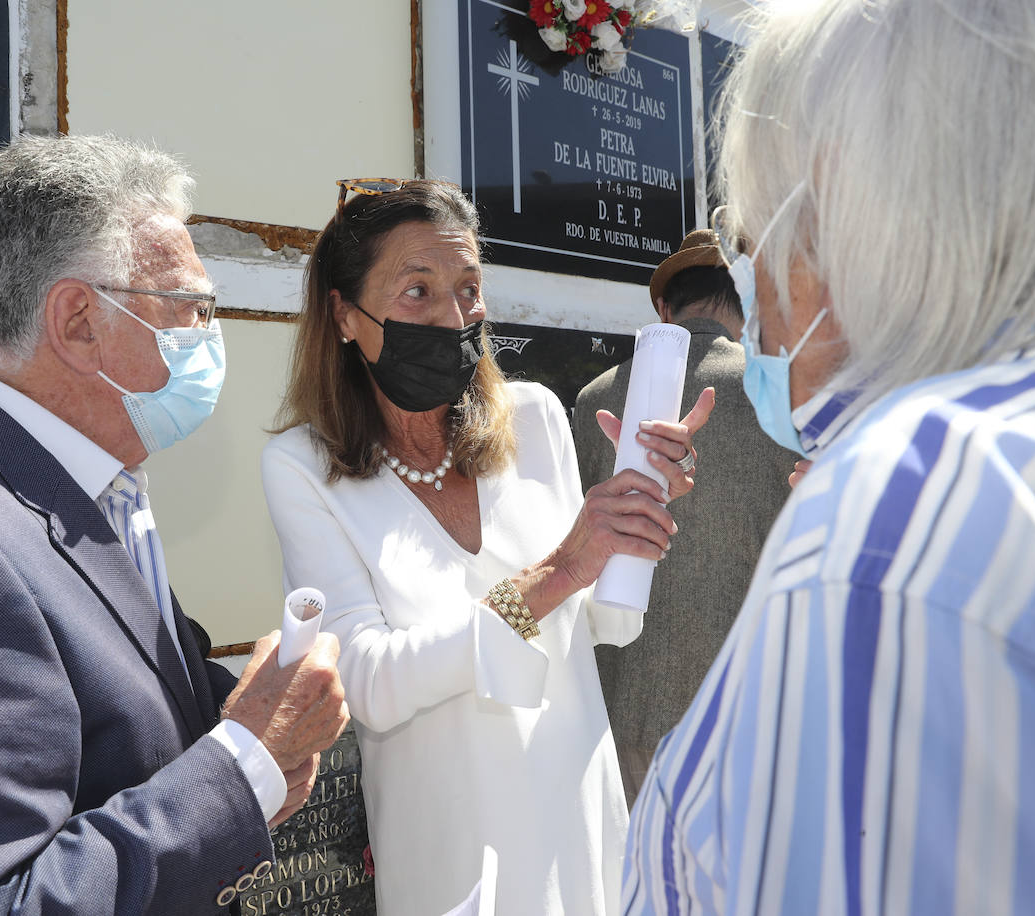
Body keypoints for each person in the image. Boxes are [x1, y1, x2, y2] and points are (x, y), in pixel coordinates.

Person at [623, 1, 1035, 913]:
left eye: (753, 242)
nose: (756, 286)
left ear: (839, 228)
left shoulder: (912, 505)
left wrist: (867, 532)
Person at [0, 135, 350, 915]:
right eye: (190, 308)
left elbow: (113, 726)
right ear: (79, 320)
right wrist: (245, 760)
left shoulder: (80, 493)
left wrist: (245, 708)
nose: (207, 336)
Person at [260, 178, 715, 915]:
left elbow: (610, 622)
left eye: (469, 288)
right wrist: (559, 569)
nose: (453, 314)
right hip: (451, 842)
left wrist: (635, 518)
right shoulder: (303, 467)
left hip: (579, 811)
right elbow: (369, 684)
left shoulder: (533, 417)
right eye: (418, 290)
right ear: (346, 315)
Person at [573, 229, 797, 806]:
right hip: (746, 717)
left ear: (665, 310)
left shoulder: (594, 398)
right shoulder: (774, 393)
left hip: (621, 712)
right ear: (743, 308)